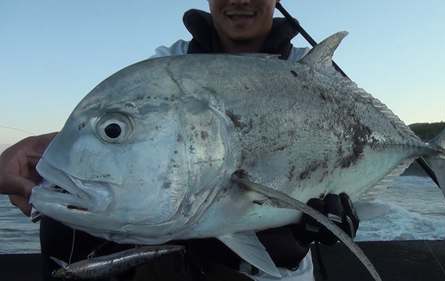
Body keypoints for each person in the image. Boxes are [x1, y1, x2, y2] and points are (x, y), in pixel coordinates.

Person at [0, 1, 359, 280]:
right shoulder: (169, 68)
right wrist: (38, 147)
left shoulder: (314, 76)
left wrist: (336, 216)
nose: (238, 0)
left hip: (281, 276)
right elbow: (145, 133)